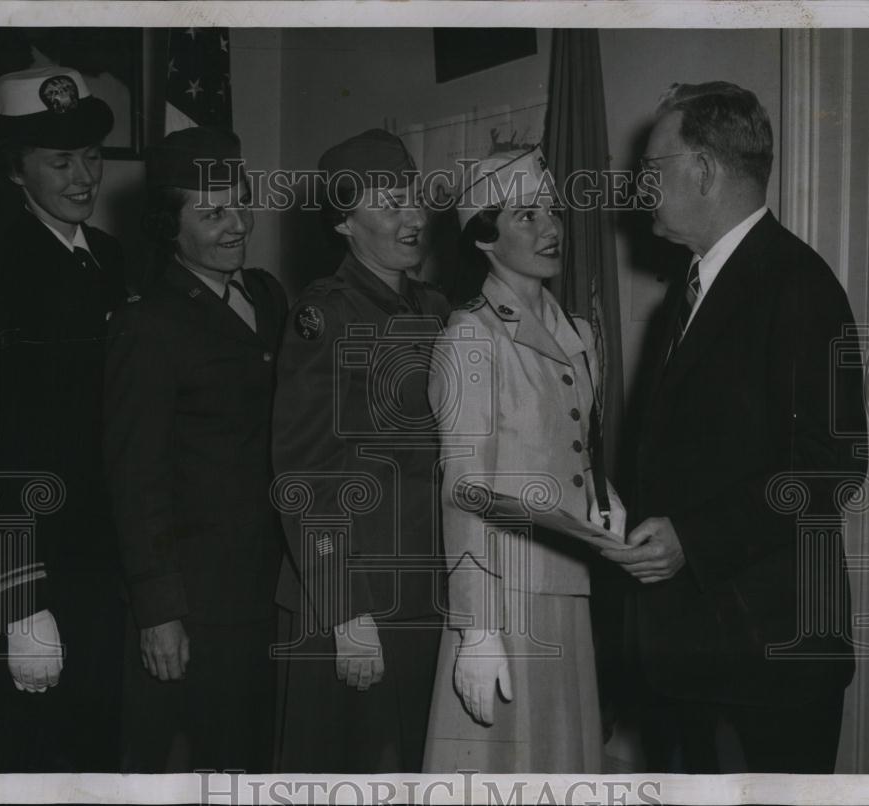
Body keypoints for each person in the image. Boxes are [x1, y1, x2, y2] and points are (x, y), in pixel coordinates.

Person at [602, 82, 868, 773]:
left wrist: (692, 537)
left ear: (705, 171)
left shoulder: (797, 285)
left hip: (768, 669)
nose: (641, 185)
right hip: (700, 659)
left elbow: (831, 466)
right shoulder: (694, 286)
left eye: (653, 168)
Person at [421, 148, 626, 773]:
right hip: (504, 596)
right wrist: (477, 629)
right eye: (526, 216)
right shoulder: (470, 337)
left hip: (569, 583)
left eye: (554, 212)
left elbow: (572, 445)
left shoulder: (578, 333)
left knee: (564, 764)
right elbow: (465, 488)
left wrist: (604, 498)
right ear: (485, 238)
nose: (552, 229)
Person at [0, 65, 126, 771]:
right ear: (15, 172)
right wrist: (22, 602)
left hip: (114, 561)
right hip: (50, 569)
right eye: (60, 161)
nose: (84, 177)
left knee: (108, 747)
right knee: (44, 756)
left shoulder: (114, 260)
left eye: (90, 156)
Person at [104, 126, 287, 772]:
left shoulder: (267, 298)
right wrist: (158, 613)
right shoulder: (146, 326)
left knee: (252, 763)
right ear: (167, 227)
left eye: (239, 203)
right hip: (192, 606)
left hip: (264, 590)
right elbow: (135, 480)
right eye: (211, 213)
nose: (236, 223)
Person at [271, 128, 451, 772]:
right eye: (388, 203)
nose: (413, 217)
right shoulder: (326, 315)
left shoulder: (435, 307)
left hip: (425, 593)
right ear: (344, 223)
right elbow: (305, 473)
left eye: (413, 197)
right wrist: (345, 610)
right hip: (353, 597)